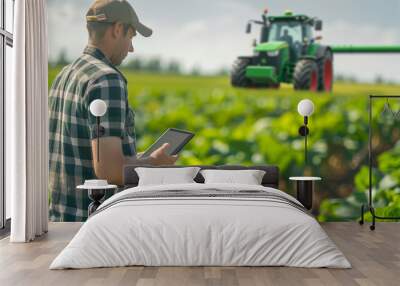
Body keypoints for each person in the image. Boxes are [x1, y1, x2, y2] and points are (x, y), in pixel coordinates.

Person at [48, 0, 177, 222]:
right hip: (95, 220)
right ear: (118, 29)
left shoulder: (65, 74)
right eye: (131, 37)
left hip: (60, 217)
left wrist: (138, 158)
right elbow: (110, 170)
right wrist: (153, 164)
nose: (131, 48)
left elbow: (85, 152)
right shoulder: (107, 79)